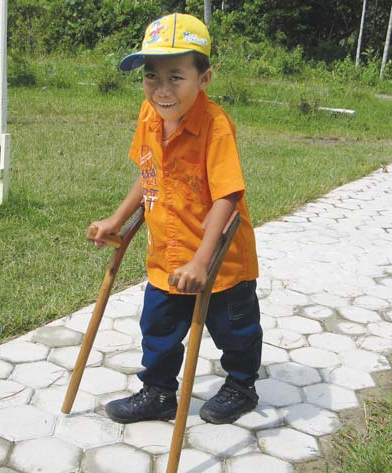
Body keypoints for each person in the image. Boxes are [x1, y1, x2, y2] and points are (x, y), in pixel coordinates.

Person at [89, 12, 263, 425]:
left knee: (234, 331)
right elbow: (147, 172)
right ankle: (158, 392)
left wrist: (203, 260)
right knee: (158, 328)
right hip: (166, 255)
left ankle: (241, 386)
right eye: (152, 76)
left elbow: (227, 196)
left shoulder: (215, 126)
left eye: (175, 77)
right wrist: (116, 219)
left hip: (220, 262)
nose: (161, 89)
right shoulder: (149, 117)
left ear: (204, 78)